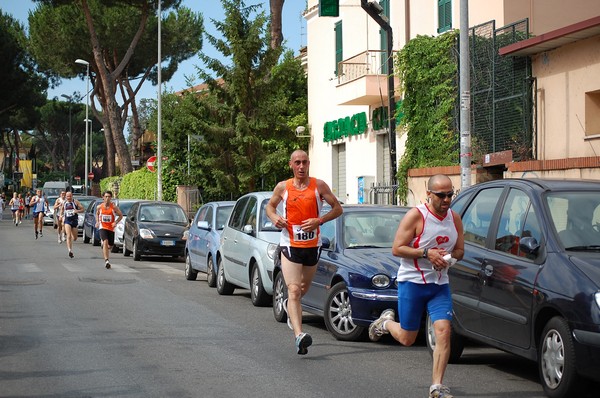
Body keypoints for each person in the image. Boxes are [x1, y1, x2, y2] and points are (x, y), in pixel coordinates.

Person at [368, 174, 464, 398]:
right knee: (407, 338)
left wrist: (448, 259)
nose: (447, 199)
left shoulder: (455, 218)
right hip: (412, 282)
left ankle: (437, 386)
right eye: (441, 195)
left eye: (450, 194)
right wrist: (426, 253)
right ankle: (386, 323)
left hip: (439, 286)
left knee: (443, 332)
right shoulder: (416, 216)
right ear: (428, 194)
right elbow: (397, 248)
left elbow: (460, 250)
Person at [266, 149, 343, 355]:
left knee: (301, 289)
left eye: (305, 162)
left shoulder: (319, 186)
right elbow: (270, 207)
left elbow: (337, 208)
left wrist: (319, 220)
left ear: (309, 164)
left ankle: (289, 306)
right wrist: (275, 219)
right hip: (290, 244)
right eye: (297, 163)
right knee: (293, 289)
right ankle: (299, 336)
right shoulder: (283, 187)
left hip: (312, 245)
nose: (301, 166)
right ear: (291, 165)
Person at [95, 190, 123, 269]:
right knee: (105, 241)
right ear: (103, 197)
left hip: (111, 228)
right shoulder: (99, 207)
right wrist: (97, 222)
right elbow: (97, 214)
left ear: (111, 198)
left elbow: (120, 215)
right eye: (106, 197)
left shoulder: (114, 207)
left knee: (110, 245)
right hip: (102, 227)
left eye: (109, 197)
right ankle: (106, 260)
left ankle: (105, 246)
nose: (107, 198)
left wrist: (116, 222)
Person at [60, 191, 84, 258]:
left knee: (75, 238)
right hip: (67, 220)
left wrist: (77, 211)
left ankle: (73, 239)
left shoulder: (76, 202)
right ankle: (70, 250)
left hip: (74, 220)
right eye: (67, 196)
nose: (68, 198)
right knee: (68, 235)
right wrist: (61, 216)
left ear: (72, 196)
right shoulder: (64, 202)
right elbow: (62, 210)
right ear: (66, 197)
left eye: (70, 196)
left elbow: (82, 209)